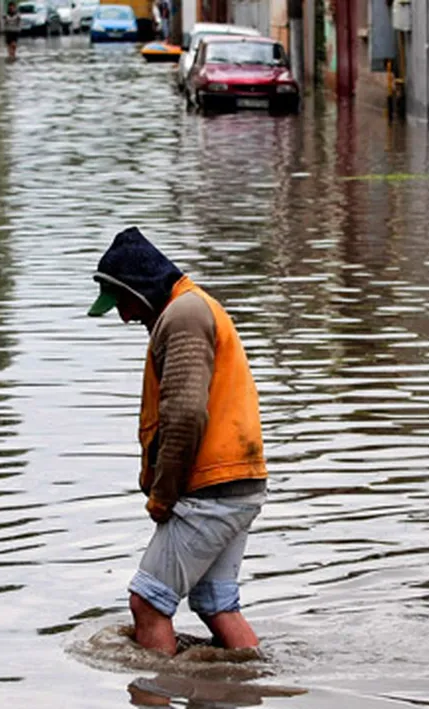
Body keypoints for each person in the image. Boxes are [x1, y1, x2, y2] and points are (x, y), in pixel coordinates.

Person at [88, 227, 268, 657]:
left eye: (124, 304)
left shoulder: (183, 315)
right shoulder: (192, 308)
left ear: (142, 289)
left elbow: (185, 415)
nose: (125, 317)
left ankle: (156, 694)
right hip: (238, 482)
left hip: (212, 486)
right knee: (215, 605)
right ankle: (252, 685)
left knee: (147, 603)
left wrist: (163, 496)